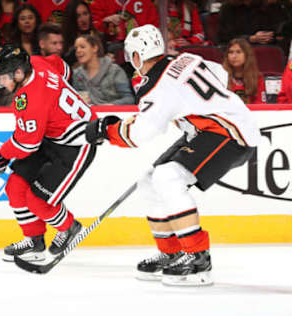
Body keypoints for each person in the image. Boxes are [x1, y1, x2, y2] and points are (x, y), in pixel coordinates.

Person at [85, 24, 260, 286]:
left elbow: (141, 133)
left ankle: (197, 258)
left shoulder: (156, 87)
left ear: (136, 56)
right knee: (149, 179)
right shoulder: (186, 58)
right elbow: (218, 75)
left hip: (232, 134)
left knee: (168, 177)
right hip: (214, 127)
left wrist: (107, 131)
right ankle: (172, 253)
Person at [0, 44, 98, 262]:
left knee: (38, 201)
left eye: (3, 78)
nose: (1, 84)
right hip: (50, 136)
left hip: (76, 143)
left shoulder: (30, 99)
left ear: (18, 72)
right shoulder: (36, 62)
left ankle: (69, 227)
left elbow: (26, 143)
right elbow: (63, 68)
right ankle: (34, 241)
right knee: (15, 187)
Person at [72, 34, 134, 105]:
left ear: (95, 48)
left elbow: (129, 99)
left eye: (82, 47)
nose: (78, 51)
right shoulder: (77, 74)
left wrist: (111, 106)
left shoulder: (115, 71)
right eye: (76, 48)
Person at [218, 0, 290, 57]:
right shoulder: (228, 8)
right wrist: (251, 38)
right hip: (238, 47)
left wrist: (274, 35)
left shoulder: (263, 5)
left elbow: (276, 28)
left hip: (265, 46)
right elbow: (226, 37)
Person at [89, 0, 159, 42]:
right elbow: (91, 30)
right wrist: (105, 21)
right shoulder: (99, 3)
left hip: (142, 50)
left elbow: (155, 31)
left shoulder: (145, 3)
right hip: (110, 52)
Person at [61, 0, 105, 67]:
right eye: (78, 16)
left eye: (85, 14)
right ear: (71, 18)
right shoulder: (63, 40)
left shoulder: (99, 37)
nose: (83, 20)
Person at [223, 38, 266, 104]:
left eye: (238, 52)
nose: (234, 56)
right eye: (231, 52)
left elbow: (261, 105)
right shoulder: (221, 76)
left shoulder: (258, 77)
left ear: (247, 55)